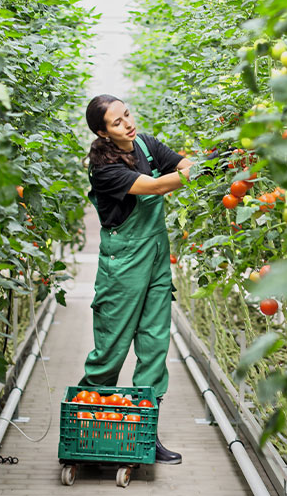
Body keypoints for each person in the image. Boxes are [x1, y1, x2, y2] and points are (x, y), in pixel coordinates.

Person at [79, 94, 194, 465]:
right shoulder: (104, 168)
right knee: (111, 350)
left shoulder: (145, 143)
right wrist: (195, 172)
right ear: (103, 132)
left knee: (154, 346)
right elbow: (158, 185)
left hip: (157, 261)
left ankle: (145, 435)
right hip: (124, 265)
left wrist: (193, 165)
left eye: (126, 114)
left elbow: (180, 162)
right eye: (117, 122)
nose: (128, 123)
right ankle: (87, 432)